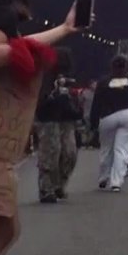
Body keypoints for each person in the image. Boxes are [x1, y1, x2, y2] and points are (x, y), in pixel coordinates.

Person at [0, 0, 83, 255]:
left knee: (5, 226)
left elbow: (15, 46)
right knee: (1, 227)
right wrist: (13, 54)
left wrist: (64, 29)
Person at [90, 55, 128, 192]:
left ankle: (103, 177)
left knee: (106, 148)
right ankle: (117, 182)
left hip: (108, 116)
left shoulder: (103, 82)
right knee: (122, 150)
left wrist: (93, 122)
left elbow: (96, 103)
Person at [34, 50, 81, 203]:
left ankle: (58, 184)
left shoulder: (67, 80)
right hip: (48, 118)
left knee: (69, 153)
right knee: (50, 153)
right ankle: (47, 188)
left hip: (65, 118)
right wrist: (53, 95)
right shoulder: (44, 78)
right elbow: (40, 101)